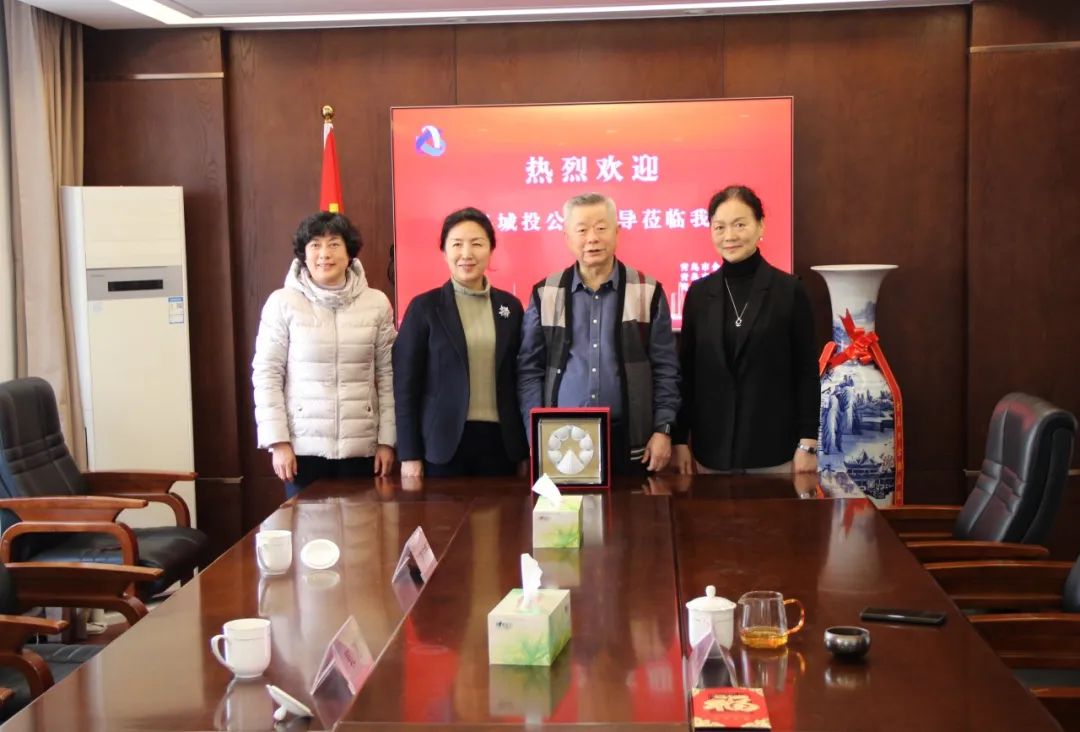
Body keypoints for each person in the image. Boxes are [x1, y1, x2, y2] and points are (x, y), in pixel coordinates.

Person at [518, 192, 681, 475]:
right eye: (582, 230)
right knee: (568, 507)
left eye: (601, 228)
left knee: (633, 505)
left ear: (617, 232)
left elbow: (665, 368)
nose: (592, 238)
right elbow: (529, 370)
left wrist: (663, 429)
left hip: (633, 440)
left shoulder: (647, 290)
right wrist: (535, 432)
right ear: (567, 237)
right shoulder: (546, 293)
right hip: (562, 440)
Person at [672, 185, 819, 474]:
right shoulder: (699, 294)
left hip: (774, 449)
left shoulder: (789, 291)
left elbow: (806, 372)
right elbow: (687, 373)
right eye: (720, 227)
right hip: (711, 452)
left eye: (740, 224)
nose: (730, 236)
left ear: (760, 225)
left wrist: (808, 443)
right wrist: (679, 439)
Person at [252, 211, 396, 497]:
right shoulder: (282, 303)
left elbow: (388, 374)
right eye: (315, 245)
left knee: (363, 524)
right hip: (303, 449)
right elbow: (267, 374)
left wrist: (387, 441)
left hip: (361, 447)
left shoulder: (377, 303)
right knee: (307, 524)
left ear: (349, 253)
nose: (324, 254)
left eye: (334, 244)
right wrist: (278, 442)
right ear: (303, 254)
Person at [393, 207, 528, 477]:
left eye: (477, 244)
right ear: (444, 251)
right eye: (457, 244)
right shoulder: (425, 308)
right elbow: (405, 386)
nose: (467, 254)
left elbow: (520, 378)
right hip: (441, 445)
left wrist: (524, 449)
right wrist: (409, 454)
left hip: (501, 444)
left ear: (490, 249)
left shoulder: (510, 307)